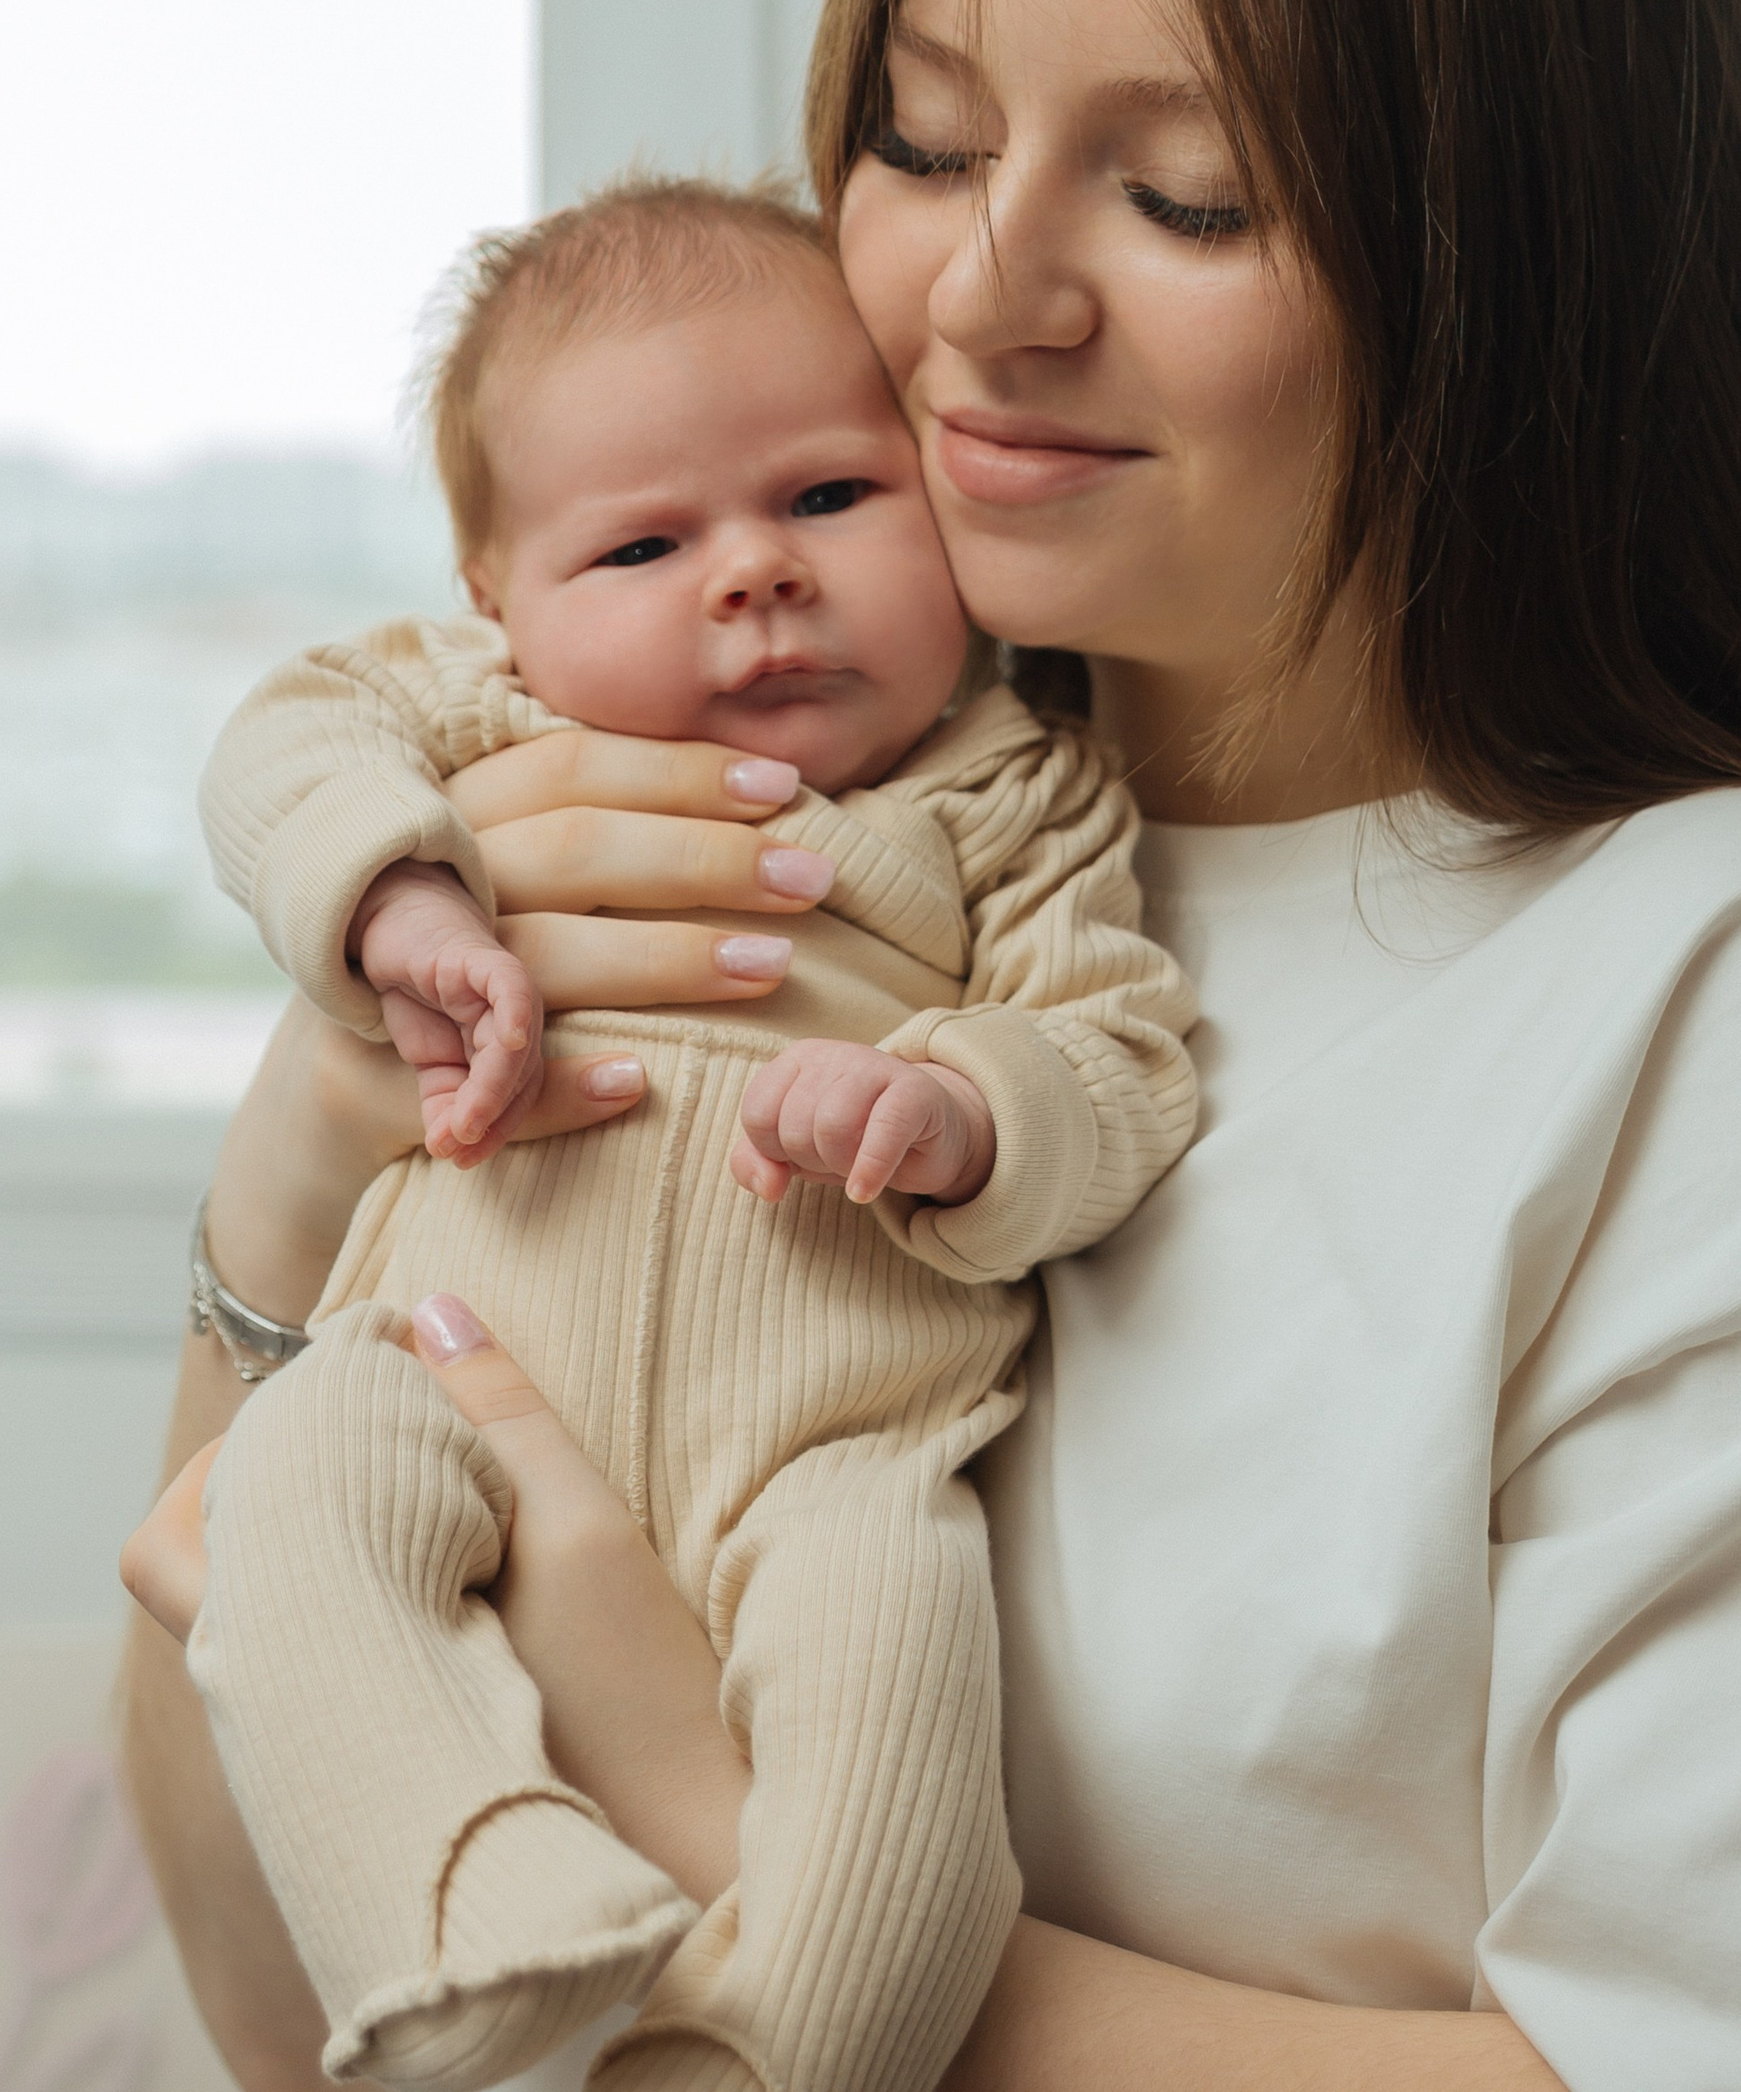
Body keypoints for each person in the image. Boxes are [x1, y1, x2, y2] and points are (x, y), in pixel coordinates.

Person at [121, 0, 1741, 2089]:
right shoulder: (798, 812)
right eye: (920, 138)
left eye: (1183, 197)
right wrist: (293, 1191)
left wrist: (732, 1838)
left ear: (1518, 263)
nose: (974, 293)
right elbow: (286, 2012)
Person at [182, 174, 1194, 2091]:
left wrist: (959, 1107)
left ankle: (766, 2056)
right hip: (438, 1366)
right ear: (498, 596)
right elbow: (283, 745)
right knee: (291, 1491)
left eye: (827, 495)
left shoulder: (1010, 788)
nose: (755, 572)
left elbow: (1119, 1052)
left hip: (831, 1445)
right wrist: (401, 906)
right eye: (646, 542)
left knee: (901, 1724)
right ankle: (484, 1912)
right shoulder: (472, 722)